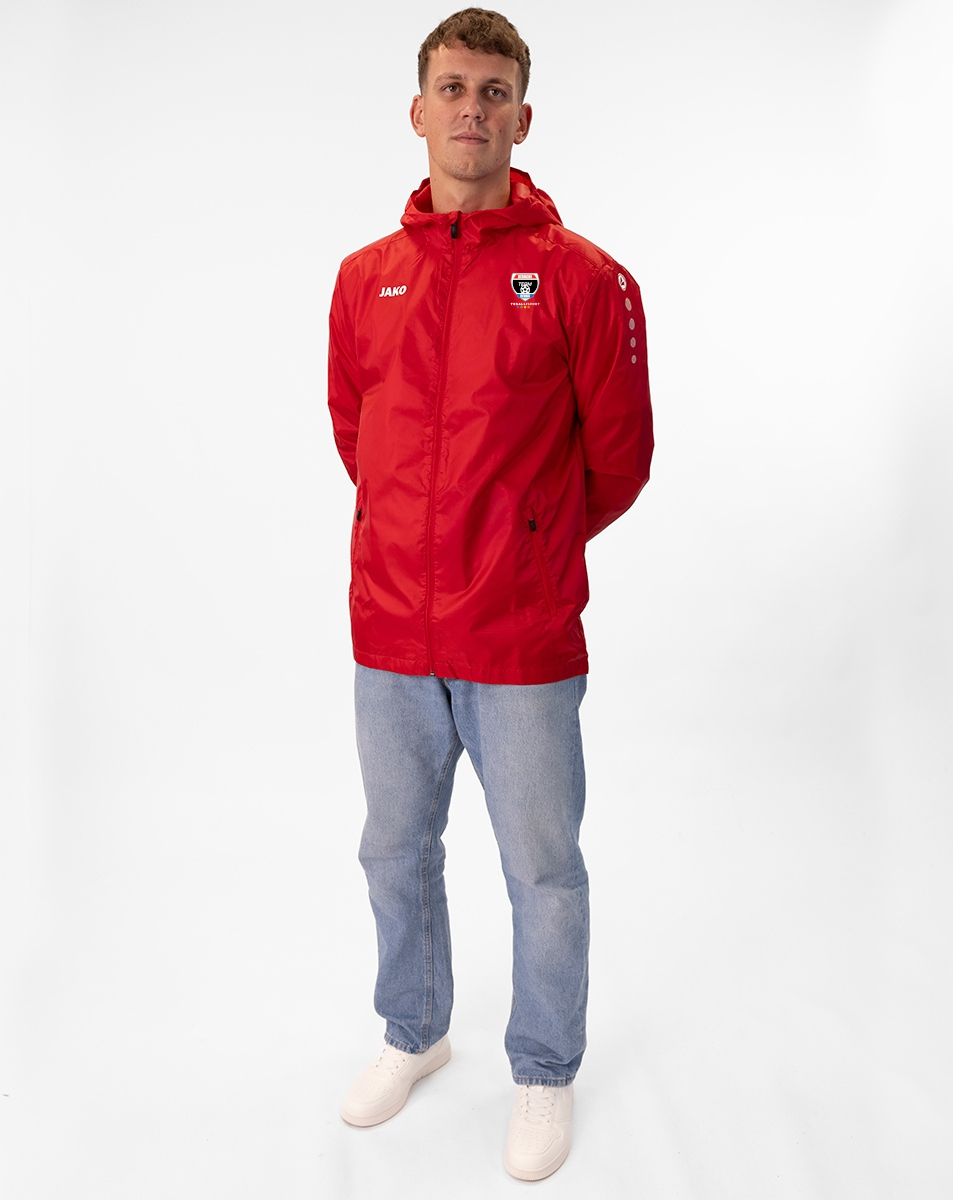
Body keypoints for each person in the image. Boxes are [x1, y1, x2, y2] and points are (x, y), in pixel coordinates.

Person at [327, 7, 653, 1182]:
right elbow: (355, 434)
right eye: (453, 88)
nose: (472, 108)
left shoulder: (582, 279)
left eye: (493, 91)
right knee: (391, 849)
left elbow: (617, 459)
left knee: (541, 869)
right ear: (417, 111)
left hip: (517, 637)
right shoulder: (363, 280)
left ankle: (542, 1067)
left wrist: (521, 550)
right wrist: (408, 548)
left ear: (522, 116)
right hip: (388, 635)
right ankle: (413, 1031)